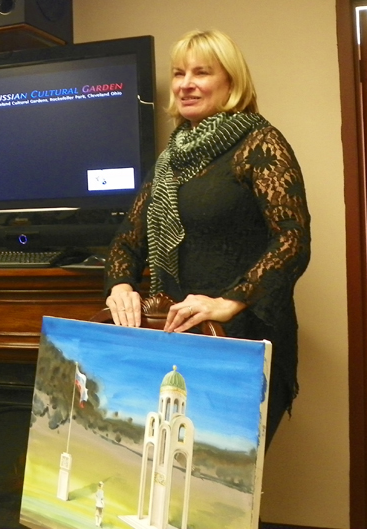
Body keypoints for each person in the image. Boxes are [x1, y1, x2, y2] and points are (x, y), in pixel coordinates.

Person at [104, 29, 311, 450]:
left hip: (242, 337)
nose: (185, 83)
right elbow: (127, 240)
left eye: (202, 72)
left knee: (223, 485)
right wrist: (120, 285)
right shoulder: (171, 157)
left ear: (230, 83)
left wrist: (229, 301)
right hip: (180, 341)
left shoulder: (260, 142)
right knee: (171, 479)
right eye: (179, 73)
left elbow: (293, 239)